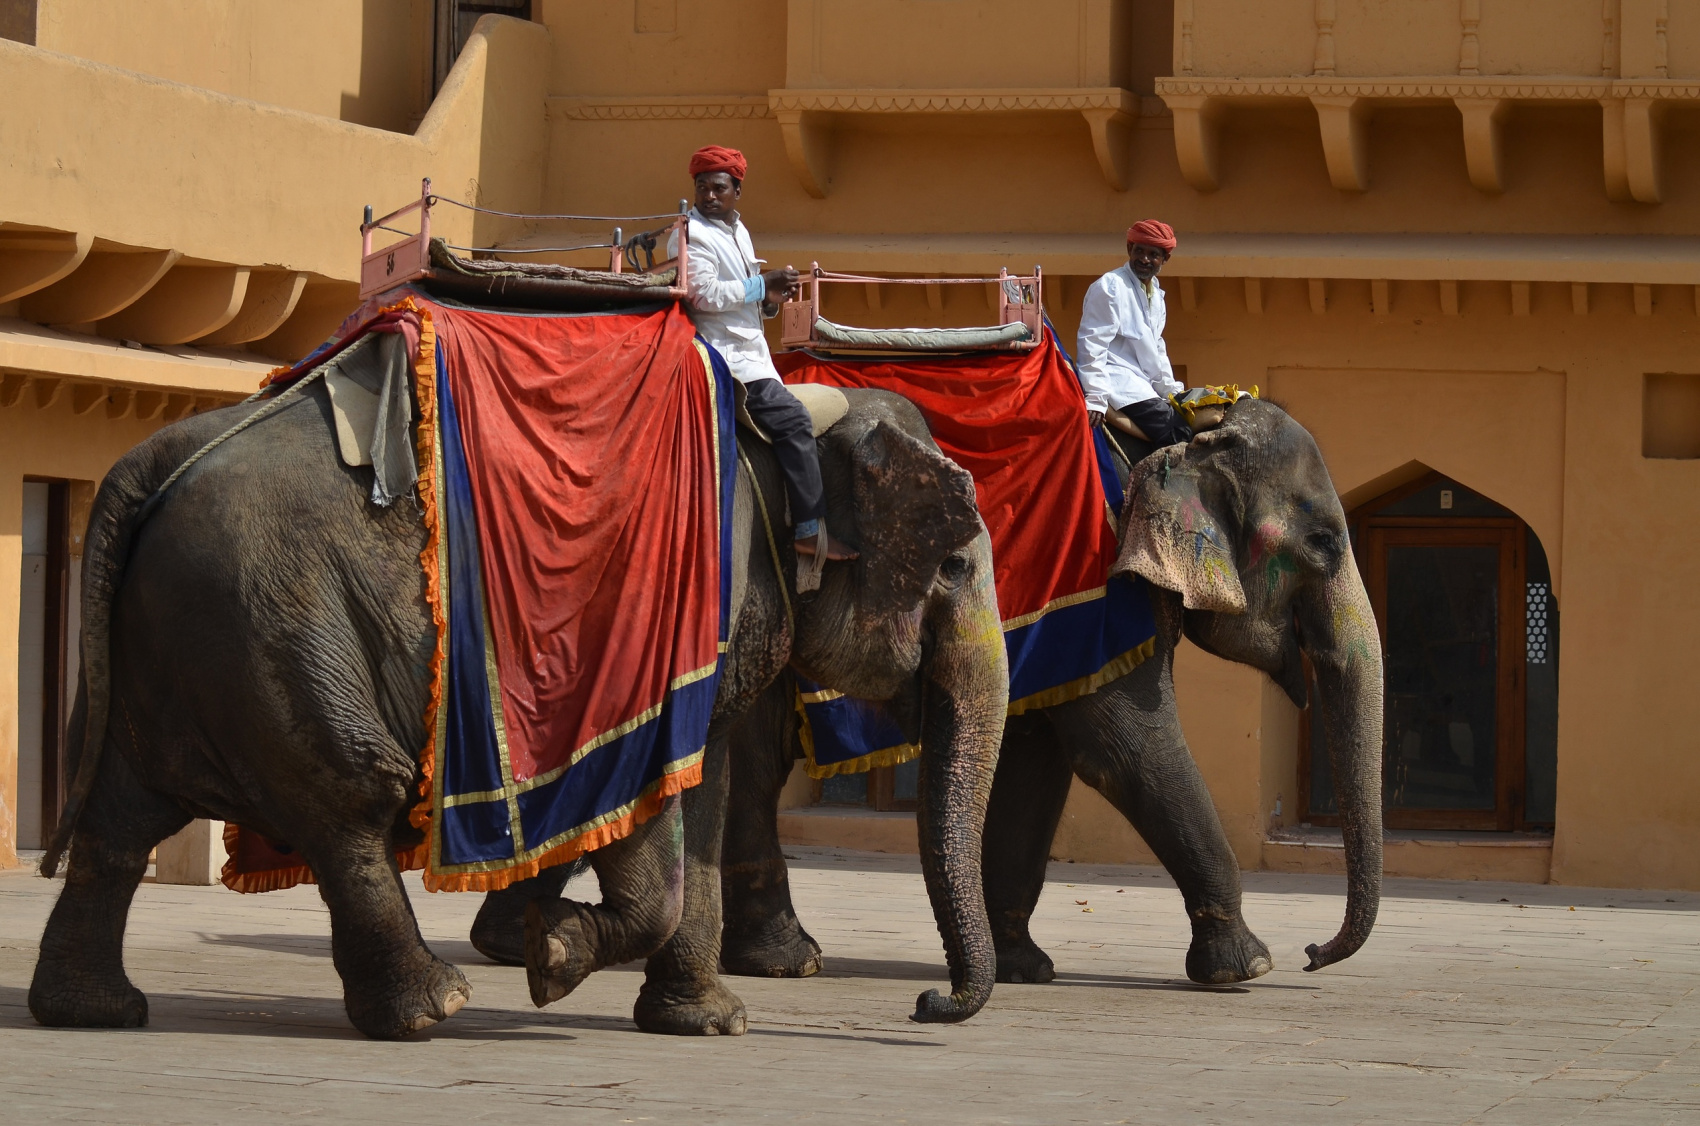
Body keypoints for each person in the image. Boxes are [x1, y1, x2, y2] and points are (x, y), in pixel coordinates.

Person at [669, 146, 856, 562]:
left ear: (737, 190)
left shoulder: (738, 230)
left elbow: (745, 297)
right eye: (703, 188)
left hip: (752, 355)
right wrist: (760, 285)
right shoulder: (690, 235)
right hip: (724, 360)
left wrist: (769, 298)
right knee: (794, 421)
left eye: (719, 188)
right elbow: (704, 294)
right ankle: (810, 529)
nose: (710, 196)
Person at [1076, 219, 1192, 452]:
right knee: (1178, 432)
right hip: (1118, 382)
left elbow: (1156, 347)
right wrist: (1096, 397)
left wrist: (1171, 391)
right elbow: (1092, 343)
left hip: (1141, 384)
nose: (1145, 259)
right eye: (1139, 251)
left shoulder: (1156, 294)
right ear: (1130, 249)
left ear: (1164, 259)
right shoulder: (1110, 287)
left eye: (1153, 254)